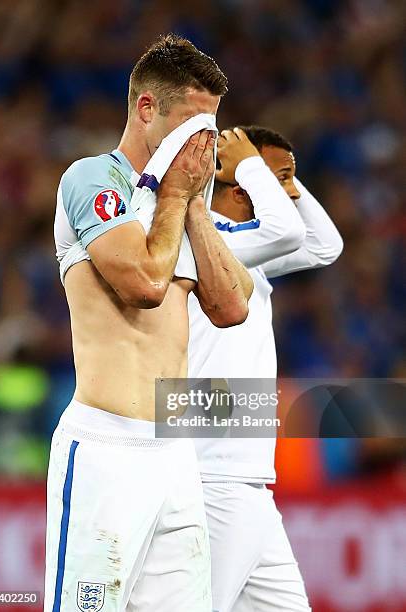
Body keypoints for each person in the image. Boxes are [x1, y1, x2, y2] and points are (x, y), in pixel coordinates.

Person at [44, 35, 253, 612]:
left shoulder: (184, 206)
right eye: (190, 123)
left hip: (175, 459)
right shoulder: (91, 180)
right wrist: (177, 196)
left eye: (211, 126)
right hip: (105, 451)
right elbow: (144, 284)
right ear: (145, 109)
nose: (204, 144)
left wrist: (191, 204)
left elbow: (233, 305)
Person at [188, 126, 344, 611]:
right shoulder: (203, 241)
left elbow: (324, 246)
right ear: (241, 188)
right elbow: (290, 231)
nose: (287, 195)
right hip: (211, 473)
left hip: (246, 478)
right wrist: (256, 167)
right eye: (279, 183)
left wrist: (286, 179)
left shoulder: (243, 247)